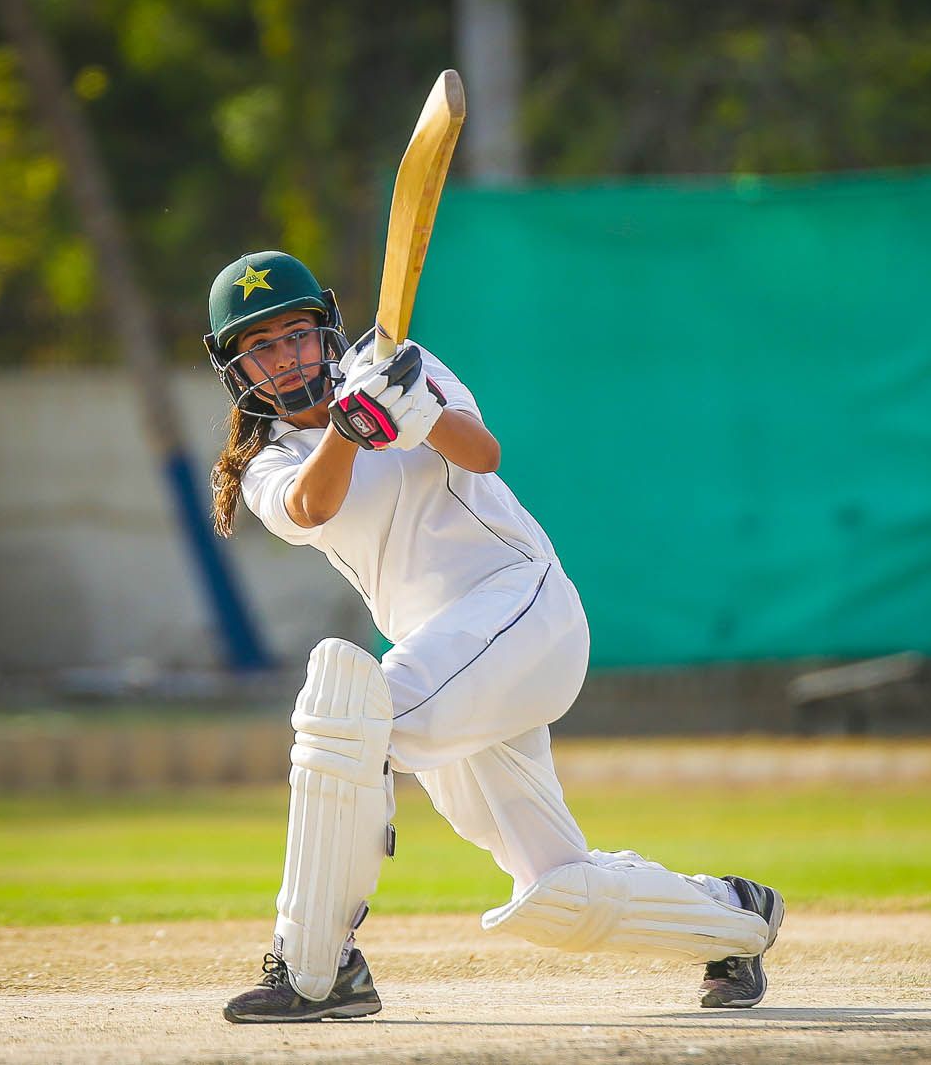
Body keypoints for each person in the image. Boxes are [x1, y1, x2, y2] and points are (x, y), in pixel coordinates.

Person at [204, 250, 784, 1023]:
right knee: (559, 890)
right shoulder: (265, 461)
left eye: (295, 333)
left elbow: (483, 453)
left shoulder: (396, 362)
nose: (285, 355)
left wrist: (415, 414)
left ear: (325, 330)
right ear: (237, 369)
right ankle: (736, 918)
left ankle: (318, 966)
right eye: (261, 345)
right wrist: (350, 427)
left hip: (520, 608)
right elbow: (313, 506)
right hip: (447, 660)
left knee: (348, 712)